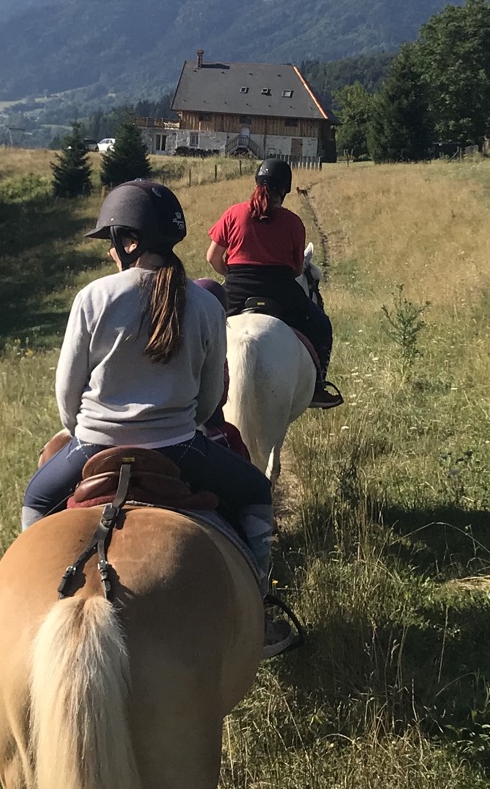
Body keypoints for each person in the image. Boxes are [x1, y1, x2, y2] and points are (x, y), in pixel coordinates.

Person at [23, 179, 298, 653]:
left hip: (93, 444)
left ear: (128, 242)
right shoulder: (207, 304)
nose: (110, 254)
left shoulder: (93, 297)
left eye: (112, 243)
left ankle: (33, 600)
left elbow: (67, 394)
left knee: (35, 500)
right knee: (254, 492)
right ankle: (260, 604)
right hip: (181, 447)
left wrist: (80, 433)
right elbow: (212, 398)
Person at [206, 158, 342, 408]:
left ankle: (190, 383)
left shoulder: (234, 213)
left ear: (257, 182)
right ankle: (318, 387)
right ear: (285, 189)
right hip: (281, 291)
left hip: (236, 288)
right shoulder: (293, 222)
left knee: (200, 325)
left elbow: (212, 257)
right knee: (322, 325)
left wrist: (232, 275)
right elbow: (296, 270)